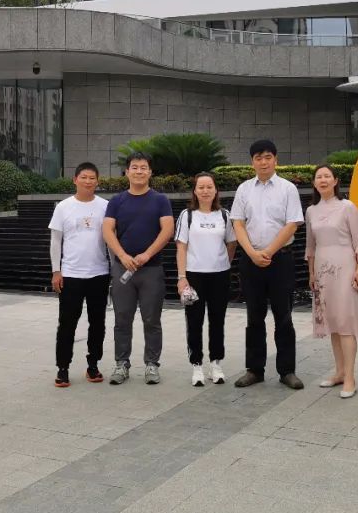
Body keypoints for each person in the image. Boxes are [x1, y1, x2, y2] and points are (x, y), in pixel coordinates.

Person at [231, 139, 305, 390]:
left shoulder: (287, 189)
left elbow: (292, 224)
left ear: (276, 160)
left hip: (280, 259)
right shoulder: (244, 189)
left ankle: (287, 371)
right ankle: (254, 369)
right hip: (251, 261)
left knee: (283, 316)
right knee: (254, 317)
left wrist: (269, 251)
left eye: (268, 157)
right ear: (252, 162)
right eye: (258, 158)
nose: (263, 162)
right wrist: (252, 253)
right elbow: (238, 223)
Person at [103, 152, 175, 385]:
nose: (139, 171)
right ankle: (121, 364)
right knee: (122, 318)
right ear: (127, 172)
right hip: (122, 269)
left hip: (151, 269)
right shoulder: (117, 201)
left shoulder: (160, 200)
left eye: (143, 167)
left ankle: (152, 364)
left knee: (151, 319)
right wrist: (122, 256)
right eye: (134, 167)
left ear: (150, 172)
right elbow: (107, 230)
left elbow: (167, 230)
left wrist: (147, 254)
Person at [305, 165, 358, 399]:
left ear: (335, 181)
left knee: (345, 322)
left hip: (345, 267)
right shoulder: (311, 211)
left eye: (327, 176)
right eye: (319, 177)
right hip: (322, 270)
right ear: (314, 183)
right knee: (332, 322)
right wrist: (311, 273)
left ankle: (350, 377)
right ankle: (340, 372)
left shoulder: (347, 207)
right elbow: (311, 245)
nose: (323, 180)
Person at [49, 162, 110, 388]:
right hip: (71, 274)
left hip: (99, 273)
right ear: (75, 180)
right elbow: (56, 241)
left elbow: (111, 239)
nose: (88, 181)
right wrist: (56, 271)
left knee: (98, 323)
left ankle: (93, 365)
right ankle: (62, 368)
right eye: (83, 177)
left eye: (92, 178)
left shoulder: (105, 206)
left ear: (97, 181)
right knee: (67, 323)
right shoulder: (63, 207)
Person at [175, 172, 237, 387]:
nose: (205, 191)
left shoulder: (225, 215)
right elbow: (181, 247)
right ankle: (197, 365)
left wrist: (223, 262)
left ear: (215, 190)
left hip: (220, 275)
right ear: (194, 191)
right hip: (193, 276)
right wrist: (182, 277)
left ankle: (216, 363)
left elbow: (231, 243)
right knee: (194, 321)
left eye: (209, 187)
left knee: (217, 320)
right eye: (201, 187)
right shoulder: (187, 215)